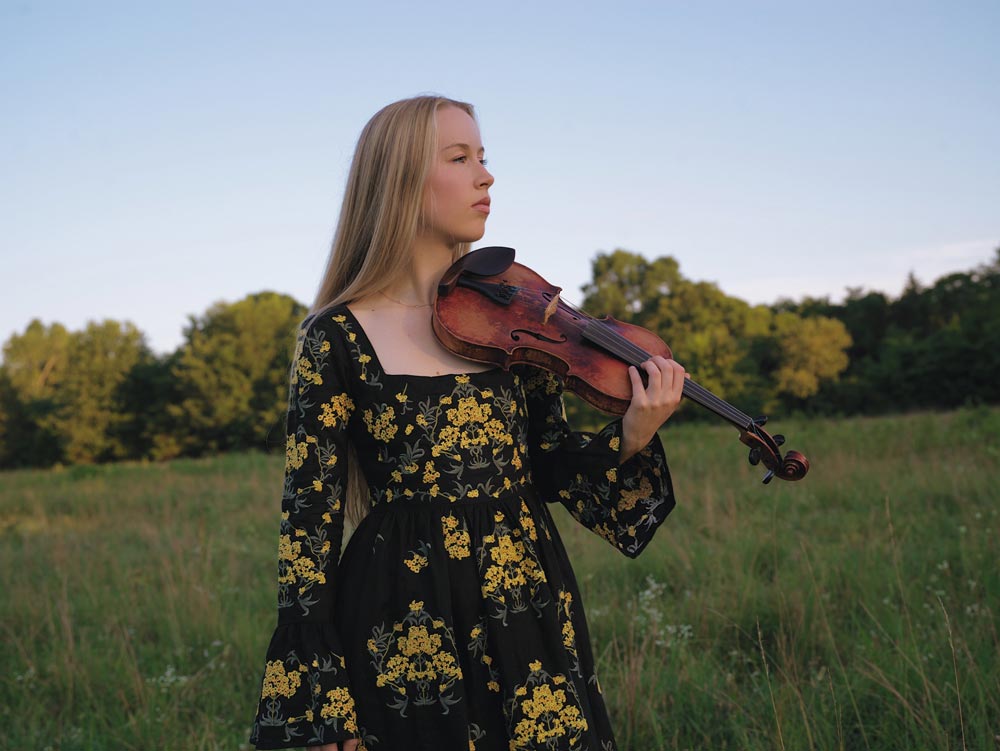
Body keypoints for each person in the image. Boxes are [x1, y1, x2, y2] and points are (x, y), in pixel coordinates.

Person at [249, 95, 686, 751]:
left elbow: (550, 461)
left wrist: (633, 435)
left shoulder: (513, 323)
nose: (486, 176)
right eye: (460, 157)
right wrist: (319, 704)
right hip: (401, 615)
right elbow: (306, 523)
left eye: (484, 157)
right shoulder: (334, 337)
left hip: (526, 600)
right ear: (399, 180)